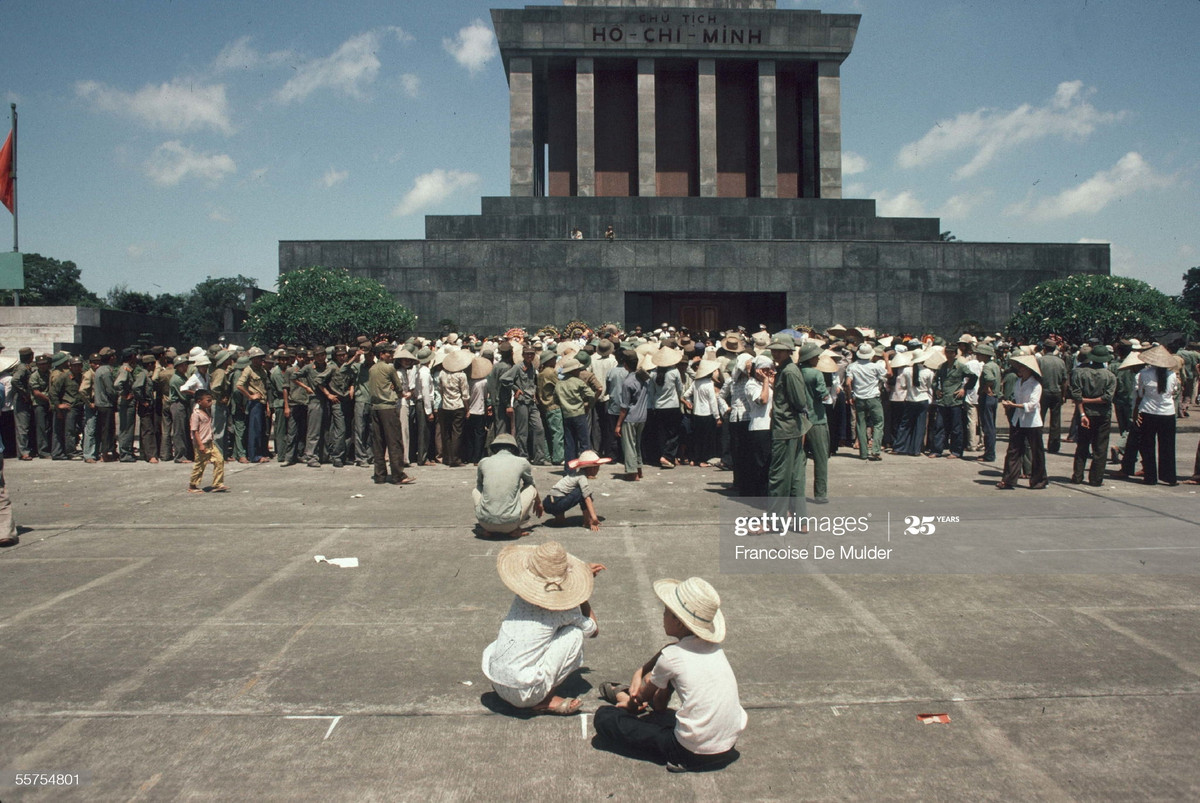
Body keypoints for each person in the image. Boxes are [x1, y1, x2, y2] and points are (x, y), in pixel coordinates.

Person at [593, 576, 746, 773]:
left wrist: (629, 702)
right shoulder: (714, 648)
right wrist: (641, 672)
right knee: (663, 699)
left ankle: (621, 696)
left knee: (604, 717)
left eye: (666, 612)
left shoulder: (672, 656)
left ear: (679, 623)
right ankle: (628, 694)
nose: (663, 616)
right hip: (727, 745)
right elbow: (660, 703)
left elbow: (643, 700)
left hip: (690, 752)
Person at [482, 540, 605, 715]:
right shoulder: (563, 610)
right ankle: (545, 699)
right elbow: (593, 629)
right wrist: (582, 593)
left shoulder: (522, 596)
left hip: (497, 681)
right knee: (575, 633)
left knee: (522, 635)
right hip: (524, 694)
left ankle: (522, 690)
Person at [766, 334, 811, 516]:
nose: (775, 353)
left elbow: (799, 401)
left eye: (780, 350)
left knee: (779, 475)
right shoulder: (786, 369)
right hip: (792, 428)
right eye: (774, 350)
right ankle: (800, 519)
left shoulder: (789, 372)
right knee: (795, 475)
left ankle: (774, 519)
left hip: (785, 429)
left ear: (789, 351)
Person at [473, 433, 542, 537]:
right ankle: (514, 529)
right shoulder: (522, 462)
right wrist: (538, 502)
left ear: (495, 448)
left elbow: (480, 485)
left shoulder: (484, 462)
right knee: (531, 488)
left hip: (485, 523)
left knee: (476, 490)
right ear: (513, 449)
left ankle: (488, 526)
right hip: (511, 524)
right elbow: (530, 483)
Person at [997, 354, 1047, 490]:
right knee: (1013, 450)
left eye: (1023, 368)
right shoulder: (1018, 382)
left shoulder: (1036, 385)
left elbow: (1032, 404)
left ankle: (1038, 480)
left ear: (1029, 370)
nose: (1020, 370)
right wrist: (1010, 404)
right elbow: (1016, 398)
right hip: (1018, 420)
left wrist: (1014, 405)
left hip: (1032, 422)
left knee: (1036, 452)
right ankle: (1008, 479)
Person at [368, 343, 415, 485]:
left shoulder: (372, 369)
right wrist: (401, 394)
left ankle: (379, 475)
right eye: (388, 353)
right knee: (394, 442)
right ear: (381, 354)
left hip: (375, 407)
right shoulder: (389, 368)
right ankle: (398, 475)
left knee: (379, 443)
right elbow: (399, 387)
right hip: (388, 407)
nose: (391, 355)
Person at [1069, 344, 1116, 486]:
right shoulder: (1110, 376)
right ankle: (1096, 478)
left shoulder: (1080, 373)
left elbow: (1077, 396)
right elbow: (1107, 398)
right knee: (1100, 448)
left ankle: (1077, 476)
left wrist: (1082, 409)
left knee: (1082, 446)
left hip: (1085, 414)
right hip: (1102, 415)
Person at [1133, 345, 1178, 486]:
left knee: (1147, 445)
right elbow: (1173, 391)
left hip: (1148, 412)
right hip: (1167, 413)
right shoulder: (1172, 375)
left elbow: (1140, 393)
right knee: (1168, 446)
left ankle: (1150, 476)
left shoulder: (1144, 373)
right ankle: (1169, 477)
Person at [543, 449, 610, 530]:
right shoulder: (581, 477)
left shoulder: (574, 475)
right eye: (597, 468)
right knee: (583, 493)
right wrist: (594, 518)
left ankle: (559, 517)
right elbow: (587, 498)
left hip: (547, 503)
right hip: (555, 504)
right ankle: (587, 521)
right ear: (592, 468)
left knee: (568, 492)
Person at [845, 342, 887, 461]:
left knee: (860, 424)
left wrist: (850, 395)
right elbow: (888, 374)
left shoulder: (852, 366)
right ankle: (875, 450)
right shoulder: (875, 366)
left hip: (859, 398)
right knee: (878, 423)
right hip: (873, 397)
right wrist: (886, 359)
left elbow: (848, 383)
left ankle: (863, 452)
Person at [555, 356, 596, 471]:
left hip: (566, 415)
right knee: (584, 443)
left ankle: (569, 470)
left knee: (569, 444)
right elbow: (591, 395)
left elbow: (556, 400)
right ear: (573, 371)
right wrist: (587, 404)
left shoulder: (559, 384)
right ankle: (586, 468)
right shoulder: (578, 382)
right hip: (579, 414)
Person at [188, 389, 228, 493]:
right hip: (201, 443)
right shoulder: (196, 414)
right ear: (199, 401)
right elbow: (195, 431)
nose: (210, 403)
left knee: (219, 460)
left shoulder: (207, 412)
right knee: (200, 464)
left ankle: (218, 483)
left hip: (210, 442)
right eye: (208, 400)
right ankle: (193, 485)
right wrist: (200, 445)